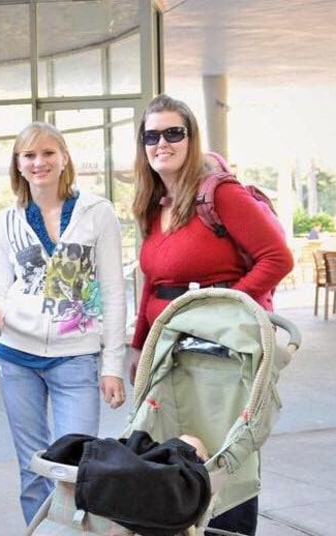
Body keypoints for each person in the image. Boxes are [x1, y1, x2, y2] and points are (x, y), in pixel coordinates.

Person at [129, 93, 294, 535]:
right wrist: (138, 346)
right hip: (173, 353)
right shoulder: (154, 203)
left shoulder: (220, 194)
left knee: (226, 461)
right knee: (172, 455)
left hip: (225, 353)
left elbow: (277, 259)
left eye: (173, 133)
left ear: (191, 138)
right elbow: (153, 282)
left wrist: (227, 310)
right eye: (151, 135)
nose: (161, 143)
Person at [0, 121, 128, 525]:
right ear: (18, 165)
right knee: (31, 467)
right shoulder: (6, 220)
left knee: (76, 465)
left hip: (75, 357)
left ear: (63, 159)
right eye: (29, 155)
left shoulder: (98, 213)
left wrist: (112, 365)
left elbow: (113, 292)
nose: (39, 162)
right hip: (17, 355)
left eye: (47, 153)